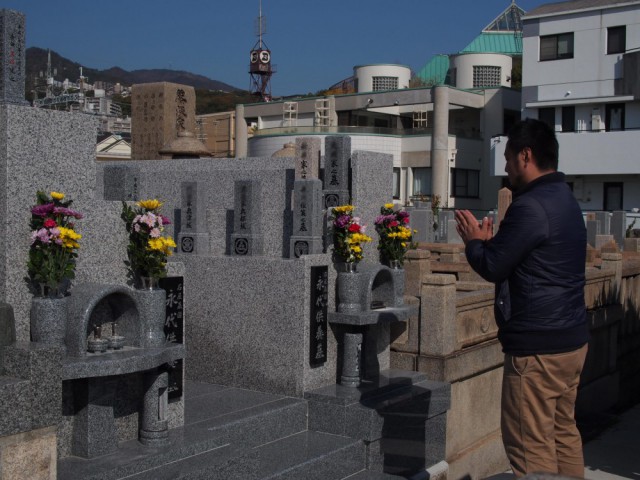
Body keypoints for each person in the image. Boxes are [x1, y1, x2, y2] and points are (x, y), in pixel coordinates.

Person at [455, 118, 589, 478]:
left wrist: (473, 243)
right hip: (571, 339)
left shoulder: (530, 206)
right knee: (563, 435)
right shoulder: (565, 199)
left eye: (509, 157)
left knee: (531, 449)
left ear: (526, 155)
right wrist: (489, 244)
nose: (505, 166)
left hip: (538, 349)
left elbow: (494, 266)